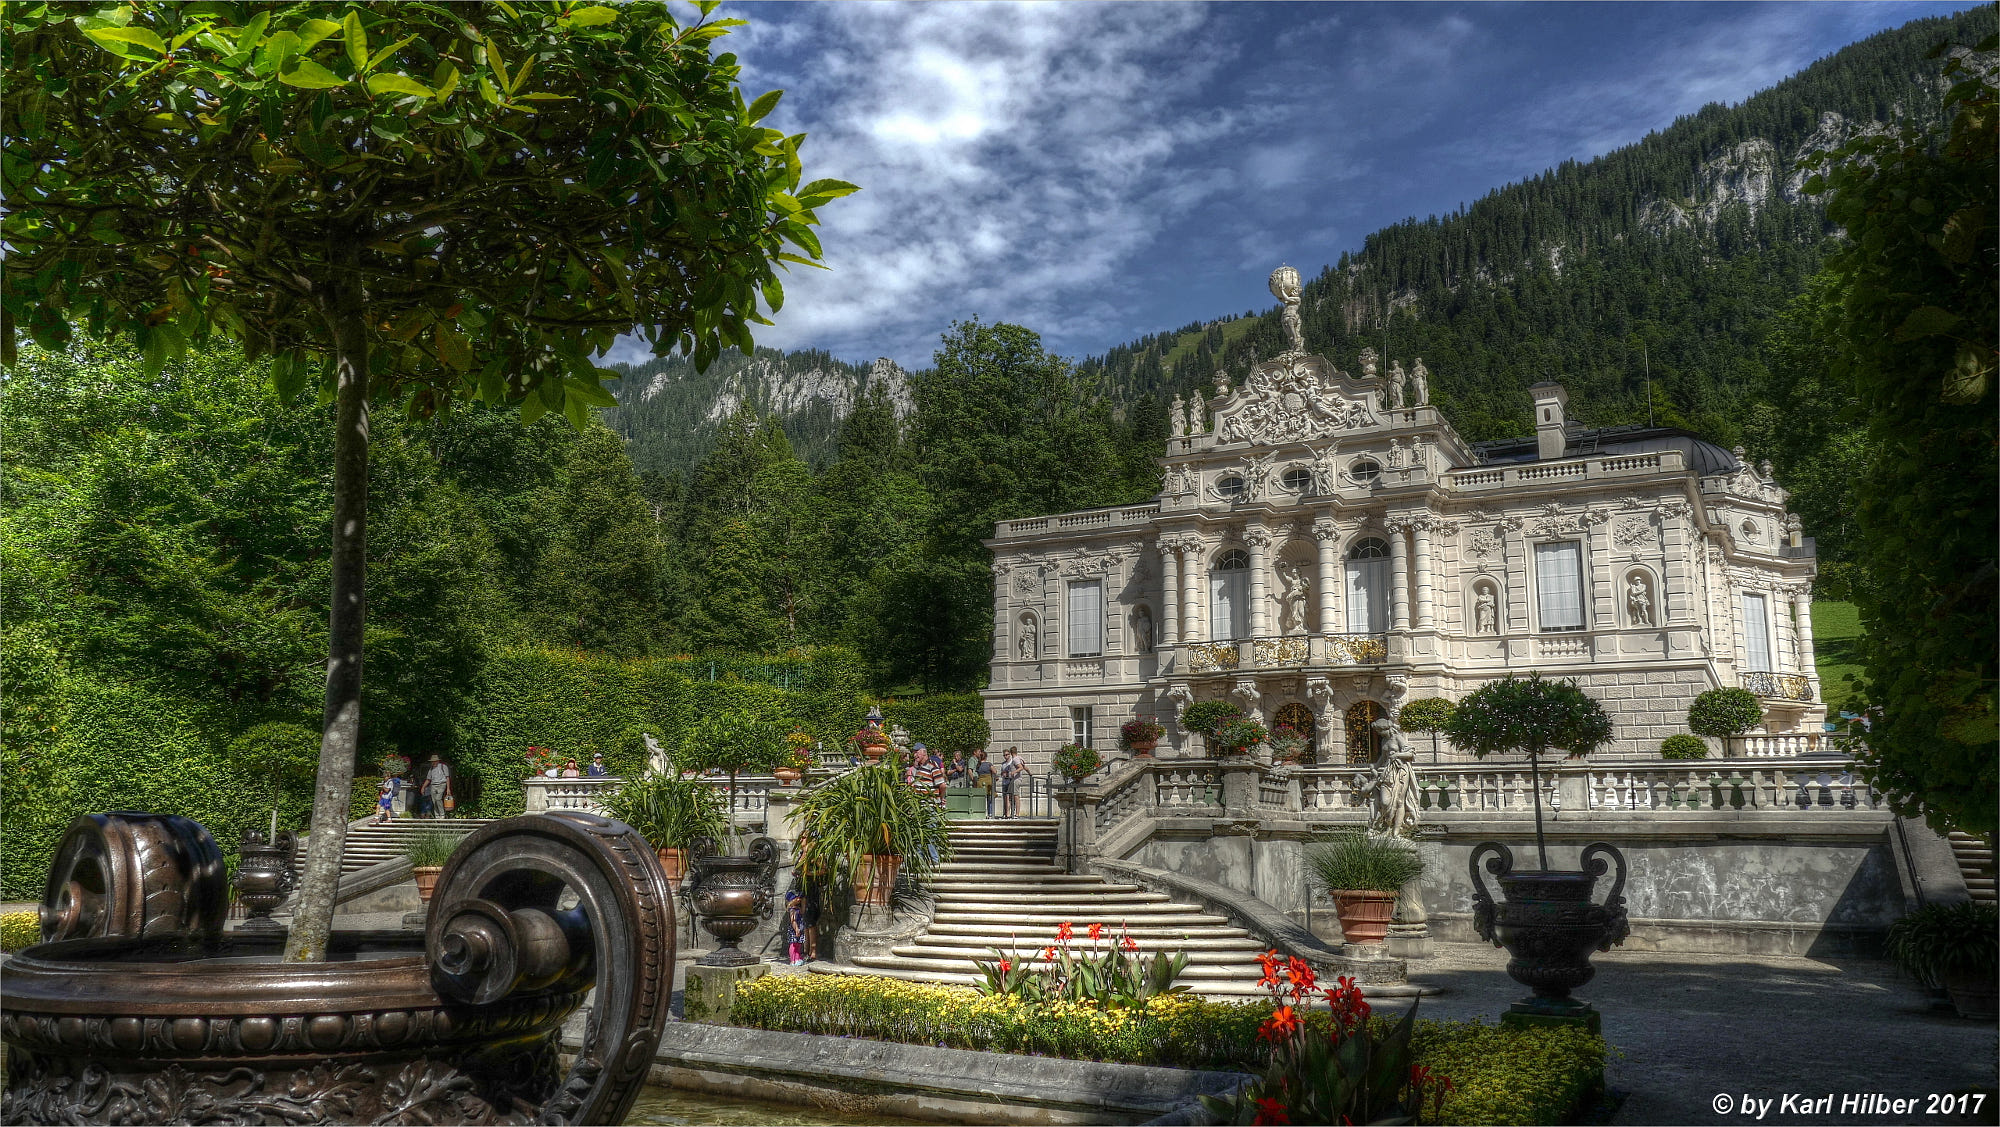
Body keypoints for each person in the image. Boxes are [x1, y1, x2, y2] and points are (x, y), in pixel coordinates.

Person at [418, 754, 453, 819]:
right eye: (432, 761)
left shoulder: (443, 766)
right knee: (434, 801)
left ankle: (442, 814)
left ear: (437, 761)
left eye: (434, 761)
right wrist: (423, 787)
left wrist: (448, 788)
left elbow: (447, 777)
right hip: (433, 785)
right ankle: (437, 815)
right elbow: (428, 779)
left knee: (438, 799)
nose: (433, 763)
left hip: (442, 784)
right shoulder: (431, 769)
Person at [999, 747, 1026, 819]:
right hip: (1005, 781)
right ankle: (1006, 813)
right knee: (1006, 797)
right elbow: (1002, 773)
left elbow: (1021, 767)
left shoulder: (1013, 761)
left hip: (1012, 780)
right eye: (1004, 755)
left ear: (1010, 754)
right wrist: (1003, 774)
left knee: (1013, 797)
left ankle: (1015, 813)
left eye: (1007, 754)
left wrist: (1012, 772)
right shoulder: (1003, 764)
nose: (1005, 756)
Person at [972, 749, 996, 817]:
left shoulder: (978, 765)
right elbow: (994, 771)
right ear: (986, 757)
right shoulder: (988, 764)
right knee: (990, 798)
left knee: (981, 799)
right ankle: (990, 813)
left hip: (980, 782)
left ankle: (981, 813)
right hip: (988, 782)